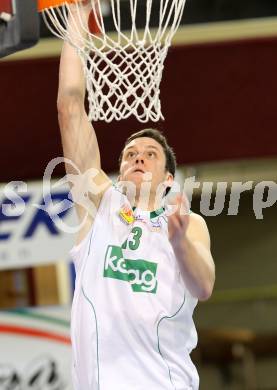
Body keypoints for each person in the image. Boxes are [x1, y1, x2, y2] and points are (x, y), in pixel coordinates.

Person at [57, 3, 215, 390]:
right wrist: (79, 15)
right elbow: (70, 108)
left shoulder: (188, 224)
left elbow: (204, 286)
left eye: (150, 154)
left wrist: (179, 244)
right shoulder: (99, 206)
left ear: (167, 179)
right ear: (120, 171)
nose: (138, 157)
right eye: (130, 154)